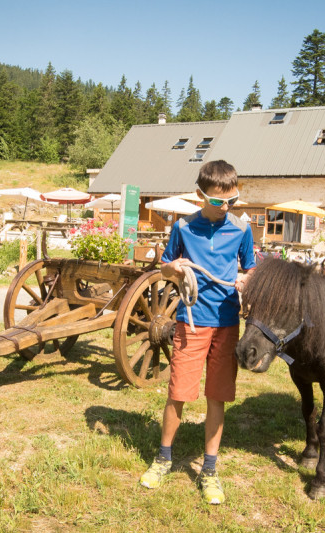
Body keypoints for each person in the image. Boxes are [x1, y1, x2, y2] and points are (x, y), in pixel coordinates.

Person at [139, 159, 256, 505]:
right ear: (200, 195)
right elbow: (165, 266)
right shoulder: (183, 228)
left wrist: (246, 279)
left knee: (216, 396)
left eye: (233, 201)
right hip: (191, 322)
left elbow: (251, 269)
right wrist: (172, 268)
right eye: (220, 201)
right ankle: (163, 458)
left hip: (226, 324)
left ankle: (209, 470)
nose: (227, 208)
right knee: (178, 392)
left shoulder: (241, 230)